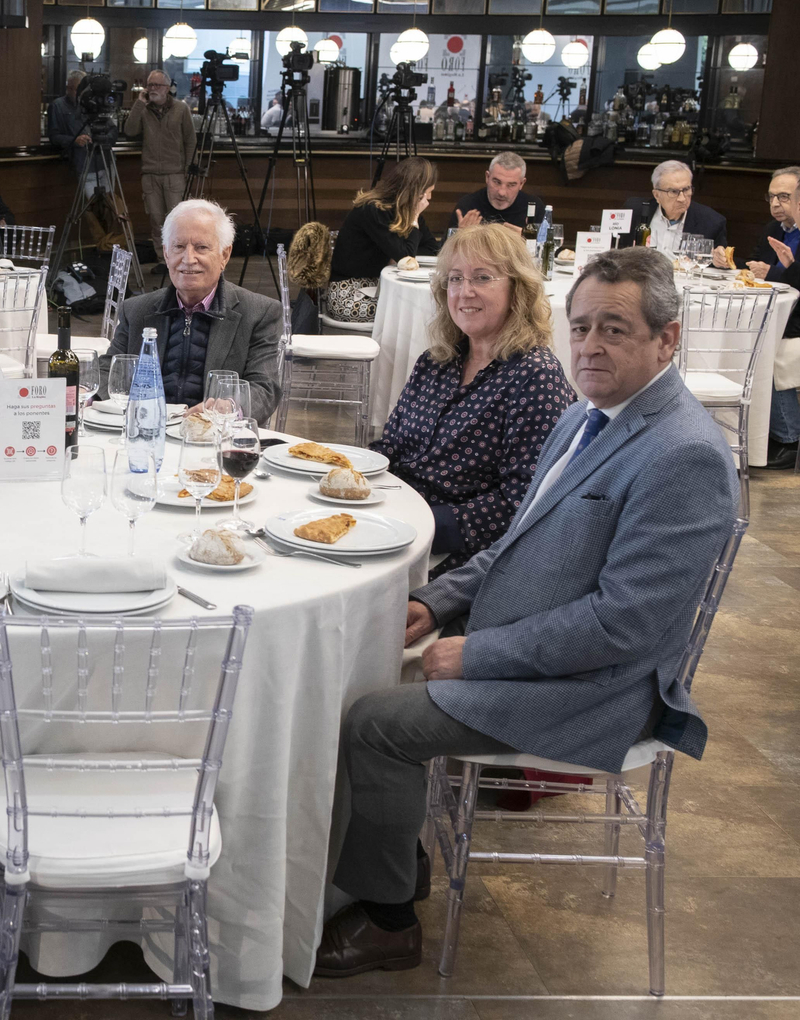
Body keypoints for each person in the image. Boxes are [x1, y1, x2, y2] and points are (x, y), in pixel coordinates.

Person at [315, 248, 738, 978]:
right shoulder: (586, 417)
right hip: (528, 646)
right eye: (581, 328)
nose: (589, 346)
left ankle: (389, 922)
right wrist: (435, 599)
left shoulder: (683, 456)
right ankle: (398, 859)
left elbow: (621, 627)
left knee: (374, 724)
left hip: (595, 693)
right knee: (358, 670)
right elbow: (515, 545)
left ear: (667, 340)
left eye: (615, 329)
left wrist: (476, 653)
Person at [372, 224, 575, 577]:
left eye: (482, 278)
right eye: (454, 279)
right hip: (392, 519)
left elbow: (522, 502)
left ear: (518, 289)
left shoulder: (535, 376)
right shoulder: (435, 361)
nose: (464, 292)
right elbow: (391, 446)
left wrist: (416, 524)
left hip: (462, 556)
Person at [102, 199, 282, 419]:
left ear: (224, 255)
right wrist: (84, 393)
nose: (188, 259)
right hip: (147, 430)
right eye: (178, 247)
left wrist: (228, 407)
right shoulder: (136, 310)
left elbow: (265, 389)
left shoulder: (259, 313)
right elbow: (108, 371)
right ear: (166, 254)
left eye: (201, 247)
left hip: (216, 436)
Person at [327, 157, 441, 325]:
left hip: (378, 287)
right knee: (417, 312)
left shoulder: (402, 211)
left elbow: (432, 249)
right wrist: (414, 219)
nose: (430, 197)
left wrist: (400, 252)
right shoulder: (373, 210)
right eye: (428, 191)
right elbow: (407, 258)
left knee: (427, 308)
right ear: (416, 191)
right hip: (348, 295)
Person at [746, 167, 800, 468]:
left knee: (766, 344)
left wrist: (778, 270)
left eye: (784, 196)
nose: (776, 204)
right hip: (784, 311)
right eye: (772, 196)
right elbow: (757, 261)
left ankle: (789, 438)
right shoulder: (775, 227)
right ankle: (765, 431)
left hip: (796, 319)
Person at [121, 70, 196, 263]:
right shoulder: (144, 110)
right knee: (156, 221)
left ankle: (179, 261)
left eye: (157, 85)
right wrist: (139, 103)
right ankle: (163, 261)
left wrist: (188, 168)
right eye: (150, 85)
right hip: (150, 174)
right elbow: (129, 131)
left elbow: (190, 140)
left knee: (177, 221)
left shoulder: (181, 108)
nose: (152, 89)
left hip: (175, 174)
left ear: (167, 88)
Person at [619, 159, 728, 254]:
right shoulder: (634, 211)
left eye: (686, 190)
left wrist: (718, 260)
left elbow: (719, 263)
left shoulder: (711, 222)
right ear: (657, 195)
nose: (682, 198)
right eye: (673, 191)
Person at [46, 71, 108, 194]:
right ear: (69, 88)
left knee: (110, 205)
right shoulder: (57, 106)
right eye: (78, 90)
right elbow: (54, 137)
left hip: (103, 162)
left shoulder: (92, 104)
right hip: (81, 163)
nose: (82, 94)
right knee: (92, 205)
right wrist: (74, 140)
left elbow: (109, 128)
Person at [452, 152, 546, 231]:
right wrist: (459, 237)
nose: (502, 192)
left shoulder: (533, 207)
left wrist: (526, 241)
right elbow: (443, 251)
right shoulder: (468, 205)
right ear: (487, 177)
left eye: (511, 185)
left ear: (521, 184)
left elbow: (546, 249)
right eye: (497, 182)